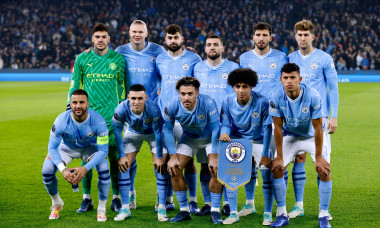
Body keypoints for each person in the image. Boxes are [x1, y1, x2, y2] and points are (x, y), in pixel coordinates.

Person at [67, 23, 126, 213]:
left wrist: (124, 111)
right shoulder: (82, 59)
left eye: (104, 36)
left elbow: (125, 85)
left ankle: (116, 198)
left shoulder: (118, 59)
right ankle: (87, 199)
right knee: (87, 159)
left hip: (112, 119)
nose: (100, 40)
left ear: (109, 38)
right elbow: (75, 84)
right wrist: (70, 107)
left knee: (115, 158)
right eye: (97, 37)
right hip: (88, 119)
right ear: (92, 39)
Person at [269, 63, 332, 228]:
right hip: (290, 136)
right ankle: (282, 214)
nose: (289, 81)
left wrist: (318, 157)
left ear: (300, 79)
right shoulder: (276, 96)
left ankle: (324, 215)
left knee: (323, 169)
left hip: (312, 136)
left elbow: (318, 128)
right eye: (285, 78)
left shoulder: (313, 95)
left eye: (292, 77)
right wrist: (280, 156)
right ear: (281, 79)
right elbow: (277, 127)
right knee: (277, 168)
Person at [288, 20, 338, 221]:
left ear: (313, 36)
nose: (302, 38)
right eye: (299, 34)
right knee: (298, 159)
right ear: (295, 36)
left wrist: (334, 116)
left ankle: (323, 208)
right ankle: (298, 205)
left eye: (306, 34)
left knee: (322, 164)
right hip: (294, 119)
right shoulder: (290, 58)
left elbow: (333, 87)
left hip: (319, 119)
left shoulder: (324, 58)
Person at [239, 22, 288, 222]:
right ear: (253, 36)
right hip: (251, 117)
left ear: (270, 37)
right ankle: (249, 203)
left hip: (276, 117)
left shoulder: (281, 57)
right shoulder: (244, 58)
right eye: (258, 34)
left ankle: (279, 207)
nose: (261, 38)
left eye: (265, 35)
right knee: (249, 161)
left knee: (276, 163)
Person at [115, 20, 166, 208]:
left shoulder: (158, 50)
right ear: (129, 32)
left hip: (154, 113)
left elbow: (169, 65)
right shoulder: (120, 51)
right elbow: (105, 60)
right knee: (127, 160)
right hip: (131, 113)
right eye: (134, 31)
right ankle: (130, 194)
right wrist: (91, 52)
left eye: (140, 31)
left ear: (147, 33)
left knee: (160, 162)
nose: (137, 34)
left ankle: (162, 200)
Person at [42, 89, 111, 222]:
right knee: (47, 169)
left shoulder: (99, 121)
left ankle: (101, 209)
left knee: (104, 168)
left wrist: (85, 168)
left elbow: (103, 151)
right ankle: (56, 203)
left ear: (88, 104)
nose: (78, 106)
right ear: (70, 104)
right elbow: (52, 148)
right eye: (74, 102)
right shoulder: (61, 120)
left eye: (81, 102)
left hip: (90, 148)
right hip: (67, 148)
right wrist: (63, 169)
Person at [156, 24, 202, 213]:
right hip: (165, 117)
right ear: (165, 40)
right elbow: (158, 81)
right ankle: (166, 199)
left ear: (182, 39)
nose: (173, 41)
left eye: (176, 38)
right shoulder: (159, 59)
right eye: (170, 38)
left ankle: (192, 200)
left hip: (186, 118)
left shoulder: (194, 58)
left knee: (189, 160)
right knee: (165, 159)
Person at [163, 77, 222, 223]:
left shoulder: (208, 102)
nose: (186, 97)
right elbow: (168, 131)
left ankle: (215, 210)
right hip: (189, 139)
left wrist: (214, 155)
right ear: (178, 93)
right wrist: (172, 156)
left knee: (216, 168)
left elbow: (216, 128)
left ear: (197, 93)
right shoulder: (171, 105)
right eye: (183, 94)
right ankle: (184, 210)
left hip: (209, 138)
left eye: (190, 93)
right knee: (174, 168)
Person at [193, 34, 239, 216]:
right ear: (205, 49)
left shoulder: (233, 68)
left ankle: (227, 202)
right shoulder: (197, 68)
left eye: (216, 45)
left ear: (223, 48)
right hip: (203, 127)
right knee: (205, 166)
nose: (212, 47)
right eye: (209, 45)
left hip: (227, 125)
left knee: (226, 166)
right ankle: (208, 202)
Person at [219, 68, 272, 225]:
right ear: (233, 87)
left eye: (245, 86)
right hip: (239, 141)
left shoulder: (262, 102)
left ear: (251, 87)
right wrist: (224, 133)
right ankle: (235, 212)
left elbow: (267, 129)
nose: (241, 90)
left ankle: (268, 213)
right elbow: (226, 123)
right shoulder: (228, 101)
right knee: (231, 173)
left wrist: (265, 154)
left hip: (259, 141)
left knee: (266, 173)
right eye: (237, 86)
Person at [112, 84, 168, 222]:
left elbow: (158, 133)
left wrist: (159, 157)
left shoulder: (154, 109)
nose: (136, 102)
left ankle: (161, 206)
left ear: (146, 98)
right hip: (133, 133)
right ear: (128, 98)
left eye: (140, 98)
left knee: (160, 166)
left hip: (153, 135)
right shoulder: (121, 108)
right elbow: (117, 132)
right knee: (123, 166)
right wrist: (122, 156)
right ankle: (125, 208)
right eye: (133, 98)